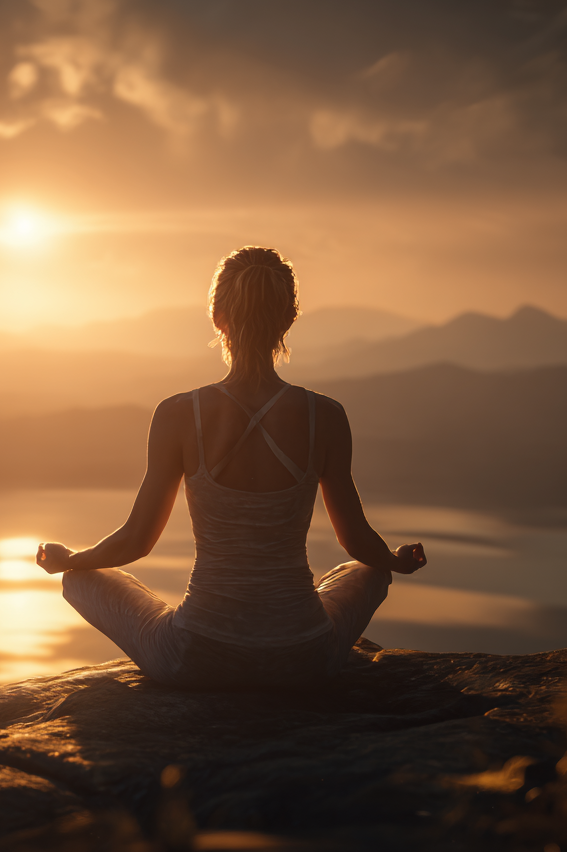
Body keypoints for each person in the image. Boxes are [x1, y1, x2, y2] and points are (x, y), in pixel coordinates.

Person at [36, 246, 427, 688]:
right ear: (288, 318)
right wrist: (395, 561)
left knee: (78, 581)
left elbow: (136, 541)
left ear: (217, 317)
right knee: (369, 572)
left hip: (195, 658)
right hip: (306, 657)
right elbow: (357, 541)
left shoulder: (179, 414)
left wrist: (72, 558)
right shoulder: (326, 417)